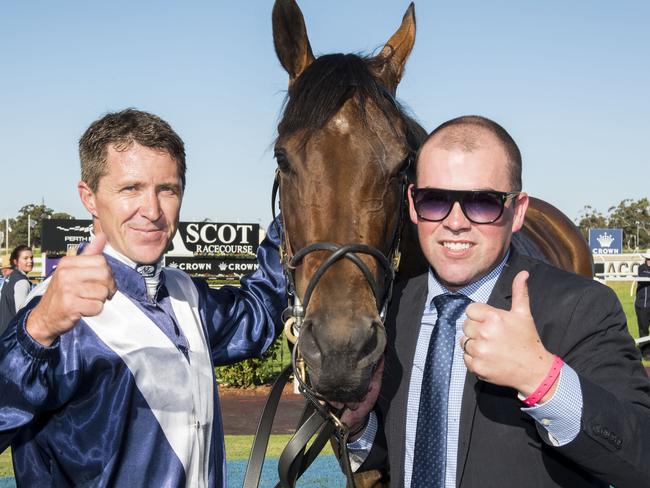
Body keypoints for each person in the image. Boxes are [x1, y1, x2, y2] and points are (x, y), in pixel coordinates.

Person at [344, 115, 650, 487]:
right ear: (412, 204)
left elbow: (640, 459)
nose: (455, 222)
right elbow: (402, 455)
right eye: (435, 199)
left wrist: (542, 380)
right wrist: (359, 425)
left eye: (482, 203)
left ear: (517, 210)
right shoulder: (392, 308)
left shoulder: (582, 307)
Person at [0, 108, 286, 487]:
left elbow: (258, 314)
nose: (151, 211)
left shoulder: (185, 293)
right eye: (130, 188)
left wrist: (294, 217)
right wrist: (36, 332)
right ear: (89, 196)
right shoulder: (54, 310)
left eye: (167, 190)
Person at [0, 245, 34, 334]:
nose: (30, 261)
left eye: (31, 257)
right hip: (12, 338)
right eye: (25, 258)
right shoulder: (22, 282)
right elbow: (22, 315)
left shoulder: (11, 276)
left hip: (4, 334)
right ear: (16, 261)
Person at [636, 249, 650, 339]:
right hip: (642, 305)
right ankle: (645, 350)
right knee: (643, 329)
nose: (649, 261)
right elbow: (644, 277)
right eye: (648, 259)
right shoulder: (641, 268)